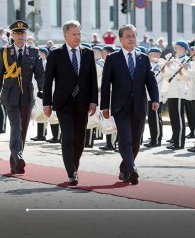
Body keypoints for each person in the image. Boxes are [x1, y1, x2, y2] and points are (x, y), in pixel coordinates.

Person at [101, 24, 159, 185]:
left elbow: (151, 80)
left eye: (133, 35)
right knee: (125, 139)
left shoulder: (143, 58)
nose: (131, 38)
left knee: (135, 141)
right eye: (127, 36)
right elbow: (106, 84)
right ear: (120, 39)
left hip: (139, 105)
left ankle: (124, 169)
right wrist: (104, 106)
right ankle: (132, 168)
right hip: (120, 106)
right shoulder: (113, 59)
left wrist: (155, 99)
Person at [43, 21, 98, 185]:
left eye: (79, 34)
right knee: (67, 137)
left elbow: (92, 79)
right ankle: (71, 172)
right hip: (63, 103)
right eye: (74, 34)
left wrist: (94, 101)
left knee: (80, 139)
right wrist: (47, 103)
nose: (77, 37)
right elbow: (48, 81)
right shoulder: (56, 54)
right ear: (65, 35)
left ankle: (75, 165)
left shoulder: (88, 53)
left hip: (83, 103)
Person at [0, 20, 45, 174]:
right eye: (17, 33)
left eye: (23, 33)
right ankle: (19, 156)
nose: (20, 36)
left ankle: (14, 163)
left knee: (23, 131)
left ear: (25, 34)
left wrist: (42, 89)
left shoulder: (34, 52)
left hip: (27, 96)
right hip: (10, 96)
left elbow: (40, 74)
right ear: (12, 35)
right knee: (16, 126)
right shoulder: (4, 52)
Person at [145, 48, 164, 147]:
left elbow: (156, 79)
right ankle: (154, 138)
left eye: (151, 54)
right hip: (149, 95)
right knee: (152, 119)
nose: (149, 56)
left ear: (157, 55)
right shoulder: (151, 65)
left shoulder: (159, 65)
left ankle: (156, 139)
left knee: (155, 118)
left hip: (156, 96)